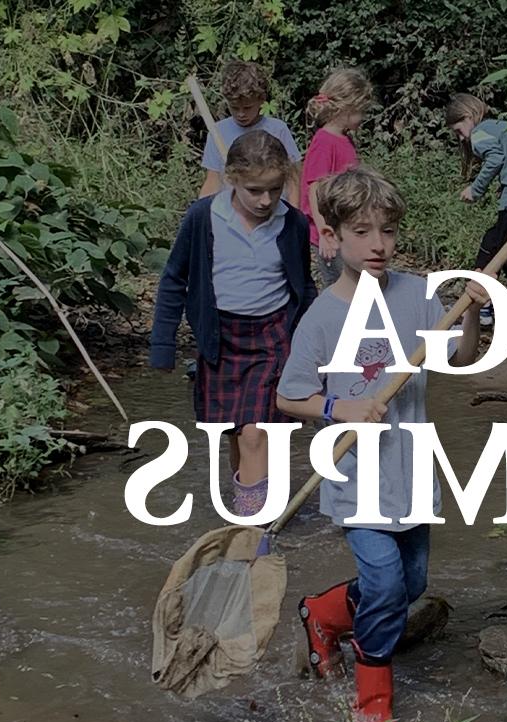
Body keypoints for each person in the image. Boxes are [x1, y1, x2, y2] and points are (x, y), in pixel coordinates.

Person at [276, 167, 488, 722]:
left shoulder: (419, 295)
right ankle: (372, 707)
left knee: (410, 585)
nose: (378, 244)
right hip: (356, 478)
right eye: (363, 231)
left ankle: (321, 614)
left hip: (412, 471)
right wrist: (339, 409)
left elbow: (461, 359)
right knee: (388, 588)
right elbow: (289, 394)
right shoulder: (322, 316)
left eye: (387, 231)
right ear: (335, 236)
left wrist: (470, 309)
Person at [152, 130, 316, 517]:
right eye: (255, 190)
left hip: (274, 335)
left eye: (275, 190)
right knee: (235, 433)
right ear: (232, 180)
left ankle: (252, 526)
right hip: (219, 337)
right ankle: (248, 497)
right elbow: (175, 278)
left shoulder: (291, 222)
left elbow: (303, 285)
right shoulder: (202, 217)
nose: (266, 200)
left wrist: (313, 348)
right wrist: (163, 345)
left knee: (257, 430)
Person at [445, 92, 507, 329]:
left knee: (503, 253)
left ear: (469, 116)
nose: (461, 139)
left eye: (459, 131)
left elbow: (496, 157)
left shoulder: (481, 131)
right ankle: (486, 302)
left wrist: (476, 188)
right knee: (498, 246)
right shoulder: (503, 126)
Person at [301, 67, 373, 288]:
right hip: (330, 231)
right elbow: (315, 189)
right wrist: (325, 232)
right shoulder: (325, 141)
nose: (363, 117)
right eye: (361, 111)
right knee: (339, 286)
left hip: (345, 227)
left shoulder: (344, 139)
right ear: (346, 108)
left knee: (356, 282)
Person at [197, 61, 302, 207]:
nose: (241, 114)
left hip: (272, 210)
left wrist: (295, 212)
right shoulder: (217, 131)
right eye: (234, 107)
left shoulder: (278, 129)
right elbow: (213, 180)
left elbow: (293, 179)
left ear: (261, 100)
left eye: (247, 107)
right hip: (233, 215)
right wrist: (200, 210)